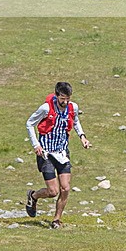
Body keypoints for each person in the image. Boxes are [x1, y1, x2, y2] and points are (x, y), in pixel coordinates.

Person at [25, 81, 91, 229]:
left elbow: (76, 121)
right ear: (56, 96)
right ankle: (33, 196)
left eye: (68, 98)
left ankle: (56, 219)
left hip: (62, 152)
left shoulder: (72, 107)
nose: (65, 101)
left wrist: (82, 137)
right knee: (52, 191)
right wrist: (36, 144)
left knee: (66, 188)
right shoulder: (46, 108)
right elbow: (29, 123)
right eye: (62, 98)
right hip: (46, 154)